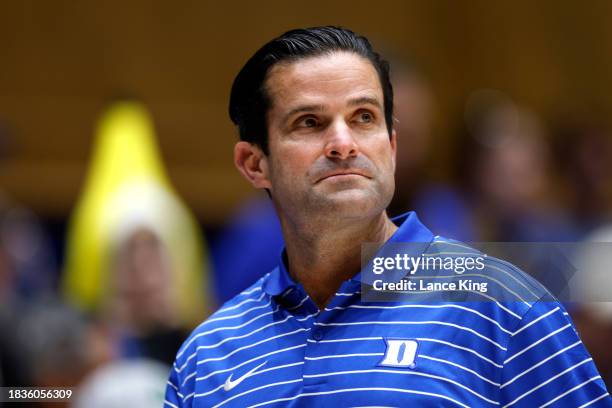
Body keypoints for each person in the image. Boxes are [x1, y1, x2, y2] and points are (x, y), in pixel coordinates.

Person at [165, 26, 611, 407]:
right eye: (309, 123)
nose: (343, 143)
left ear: (392, 146)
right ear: (254, 163)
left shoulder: (500, 305)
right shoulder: (208, 355)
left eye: (363, 118)